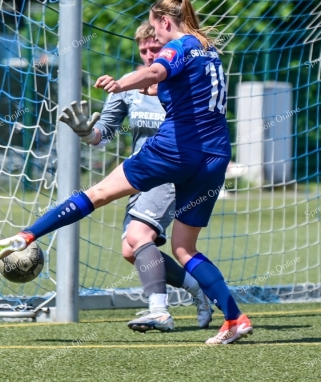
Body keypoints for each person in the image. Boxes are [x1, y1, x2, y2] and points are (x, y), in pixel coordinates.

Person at [0, 0, 253, 345]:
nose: (155, 41)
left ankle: (27, 235)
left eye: (157, 31)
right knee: (185, 249)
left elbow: (157, 71)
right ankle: (235, 318)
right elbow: (168, 88)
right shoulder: (209, 51)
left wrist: (120, 82)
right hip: (214, 156)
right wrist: (94, 126)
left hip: (174, 150)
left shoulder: (179, 46)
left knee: (97, 194)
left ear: (166, 23)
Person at [58, 21, 212, 332]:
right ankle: (199, 289)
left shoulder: (184, 81)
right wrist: (87, 132)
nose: (149, 54)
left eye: (155, 47)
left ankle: (158, 311)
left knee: (139, 237)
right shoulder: (128, 85)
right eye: (143, 49)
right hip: (142, 173)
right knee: (132, 250)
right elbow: (105, 135)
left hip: (174, 170)